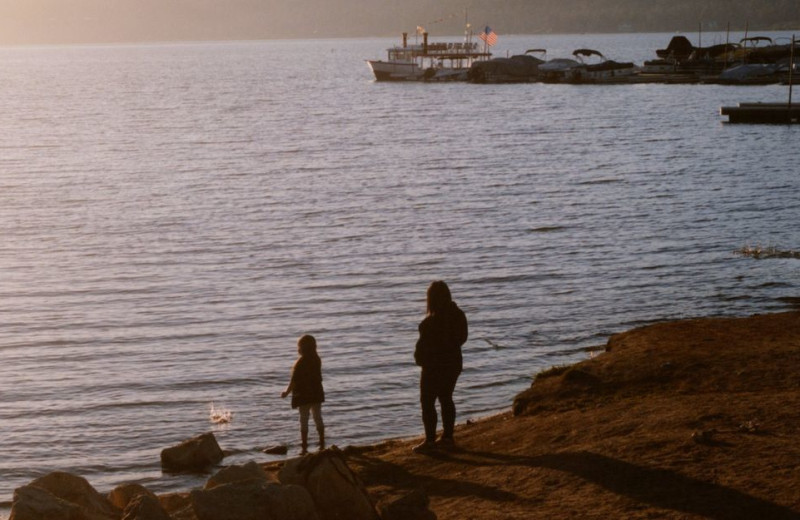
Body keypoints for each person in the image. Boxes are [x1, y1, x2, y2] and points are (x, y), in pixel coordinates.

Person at [413, 280, 468, 453]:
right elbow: (463, 338)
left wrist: (421, 360)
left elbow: (421, 351)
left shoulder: (428, 324)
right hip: (453, 364)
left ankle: (430, 440)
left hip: (433, 367)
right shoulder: (458, 315)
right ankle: (447, 437)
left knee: (427, 402)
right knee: (446, 398)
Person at [281, 334, 325, 455]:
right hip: (316, 393)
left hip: (304, 395)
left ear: (302, 348)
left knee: (304, 419)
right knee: (318, 417)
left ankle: (304, 445)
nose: (297, 348)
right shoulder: (317, 359)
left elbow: (294, 381)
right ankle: (322, 441)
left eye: (298, 346)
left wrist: (286, 392)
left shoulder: (300, 362)